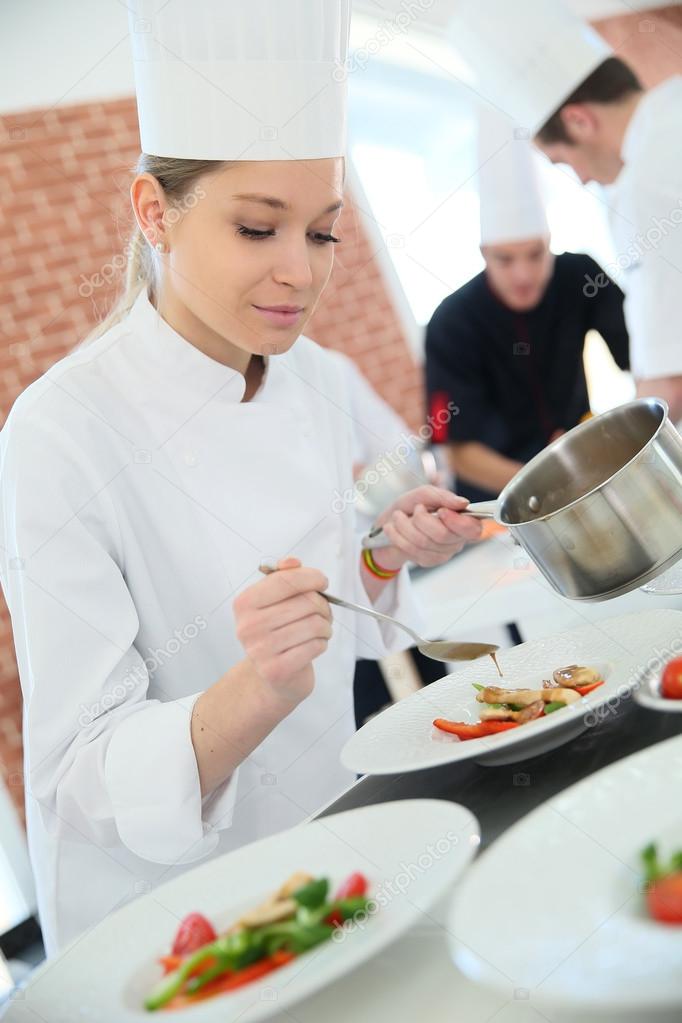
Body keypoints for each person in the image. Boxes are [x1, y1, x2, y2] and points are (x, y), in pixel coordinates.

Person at [0, 0, 482, 956]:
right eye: (259, 229)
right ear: (155, 213)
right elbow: (80, 774)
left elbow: (354, 571)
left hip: (329, 847)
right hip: (170, 924)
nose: (299, 273)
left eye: (324, 233)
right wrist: (257, 687)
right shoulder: (58, 433)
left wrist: (386, 550)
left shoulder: (321, 377)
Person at [449, 0, 682, 422]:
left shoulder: (642, 183)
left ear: (578, 121)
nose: (581, 178)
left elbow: (670, 383)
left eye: (561, 160)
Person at [425, 107, 629, 503]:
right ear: (484, 254)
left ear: (550, 242)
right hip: (499, 498)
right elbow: (457, 449)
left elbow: (642, 352)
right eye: (505, 259)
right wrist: (548, 482)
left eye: (535, 255)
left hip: (579, 468)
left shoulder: (579, 277)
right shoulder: (451, 322)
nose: (523, 274)